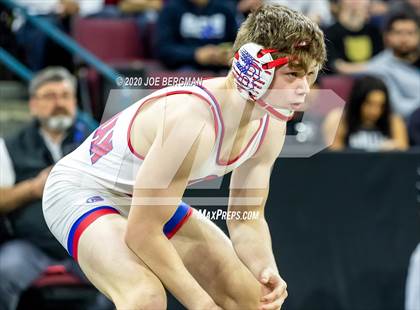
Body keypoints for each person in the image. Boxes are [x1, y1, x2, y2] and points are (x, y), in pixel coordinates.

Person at [42, 5, 326, 309]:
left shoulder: (272, 124)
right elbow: (142, 232)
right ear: (253, 69)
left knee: (255, 300)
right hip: (83, 191)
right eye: (293, 75)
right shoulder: (192, 121)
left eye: (310, 75)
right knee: (146, 297)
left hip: (141, 199)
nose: (303, 89)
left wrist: (265, 269)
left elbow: (247, 217)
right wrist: (200, 302)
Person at [0, 67, 103, 310]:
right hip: (31, 245)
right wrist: (33, 188)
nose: (59, 103)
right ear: (33, 105)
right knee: (4, 271)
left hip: (86, 243)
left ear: (75, 102)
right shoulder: (9, 145)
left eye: (65, 96)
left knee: (126, 275)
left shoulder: (95, 140)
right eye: (50, 96)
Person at [334, 11, 420, 119]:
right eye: (398, 33)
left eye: (410, 33)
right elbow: (399, 109)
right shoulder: (380, 68)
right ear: (387, 36)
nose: (404, 39)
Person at [322, 75, 408, 151]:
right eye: (369, 103)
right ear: (358, 101)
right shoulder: (340, 119)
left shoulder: (393, 121)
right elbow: (334, 156)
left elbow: (403, 154)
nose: (375, 111)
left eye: (381, 105)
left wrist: (394, 147)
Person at [156, 0, 238, 71]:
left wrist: (227, 54)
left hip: (221, 68)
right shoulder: (172, 9)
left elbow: (237, 43)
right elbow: (163, 49)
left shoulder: (225, 8)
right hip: (185, 67)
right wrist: (195, 54)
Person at [324, 0, 383, 74]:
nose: (355, 1)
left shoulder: (375, 32)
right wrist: (372, 67)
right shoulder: (329, 34)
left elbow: (382, 61)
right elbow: (338, 66)